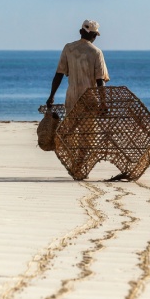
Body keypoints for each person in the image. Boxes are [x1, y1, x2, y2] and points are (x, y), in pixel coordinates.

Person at [47, 20, 127, 182]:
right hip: (90, 100)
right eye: (95, 35)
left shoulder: (68, 48)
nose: (95, 38)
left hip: (71, 97)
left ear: (80, 31)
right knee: (87, 135)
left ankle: (75, 165)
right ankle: (79, 166)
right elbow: (100, 81)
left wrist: (51, 96)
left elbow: (59, 74)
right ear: (92, 35)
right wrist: (103, 102)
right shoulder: (96, 52)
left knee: (70, 132)